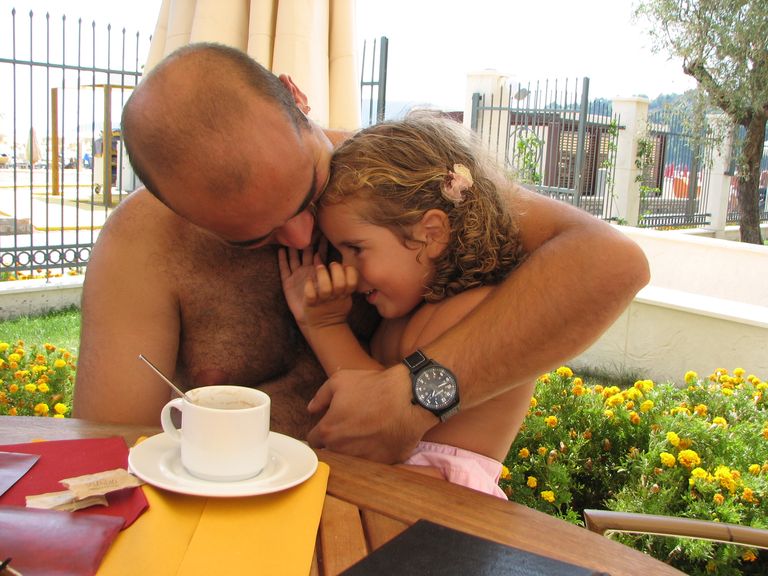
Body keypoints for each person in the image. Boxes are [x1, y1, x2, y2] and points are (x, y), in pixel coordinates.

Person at [74, 43, 650, 464]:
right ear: (177, 208)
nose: (303, 235)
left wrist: (417, 396)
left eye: (308, 188)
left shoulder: (393, 181)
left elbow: (609, 261)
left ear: (297, 98)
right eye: (251, 238)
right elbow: (109, 455)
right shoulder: (144, 243)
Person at [279, 114, 534, 497]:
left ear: (431, 233)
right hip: (404, 489)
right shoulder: (403, 315)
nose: (346, 270)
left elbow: (374, 413)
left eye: (355, 249)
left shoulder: (478, 311)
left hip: (445, 500)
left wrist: (324, 325)